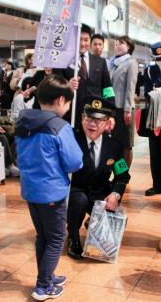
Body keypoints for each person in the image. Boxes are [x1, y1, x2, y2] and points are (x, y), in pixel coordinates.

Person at [15, 75, 83, 301]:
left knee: (42, 237)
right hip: (52, 192)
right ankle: (43, 286)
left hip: (31, 191)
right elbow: (74, 162)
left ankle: (48, 275)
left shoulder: (23, 121)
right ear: (61, 99)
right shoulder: (59, 126)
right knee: (56, 239)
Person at [67, 96, 130, 260]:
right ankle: (73, 237)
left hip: (99, 192)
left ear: (108, 123)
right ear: (82, 118)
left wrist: (115, 194)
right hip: (76, 191)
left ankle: (93, 222)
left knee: (118, 216)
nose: (92, 124)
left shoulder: (114, 146)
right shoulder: (72, 139)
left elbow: (122, 176)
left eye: (98, 120)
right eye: (88, 118)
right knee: (79, 201)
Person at [63, 24, 114, 129]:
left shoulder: (100, 62)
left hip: (95, 113)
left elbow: (107, 89)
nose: (82, 43)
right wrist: (67, 85)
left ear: (90, 41)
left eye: (86, 40)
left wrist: (111, 114)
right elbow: (56, 84)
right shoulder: (65, 61)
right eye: (79, 39)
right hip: (71, 114)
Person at [109, 35, 138, 168]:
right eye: (116, 44)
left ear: (129, 47)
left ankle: (123, 176)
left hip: (124, 109)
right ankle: (116, 173)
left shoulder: (131, 62)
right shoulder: (112, 63)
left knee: (126, 144)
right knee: (114, 143)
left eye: (121, 43)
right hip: (112, 109)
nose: (117, 45)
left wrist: (127, 110)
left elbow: (130, 88)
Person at [143, 42, 161, 196]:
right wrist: (160, 92)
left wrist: (160, 91)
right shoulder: (148, 71)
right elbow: (146, 93)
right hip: (154, 117)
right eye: (158, 58)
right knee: (155, 151)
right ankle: (157, 184)